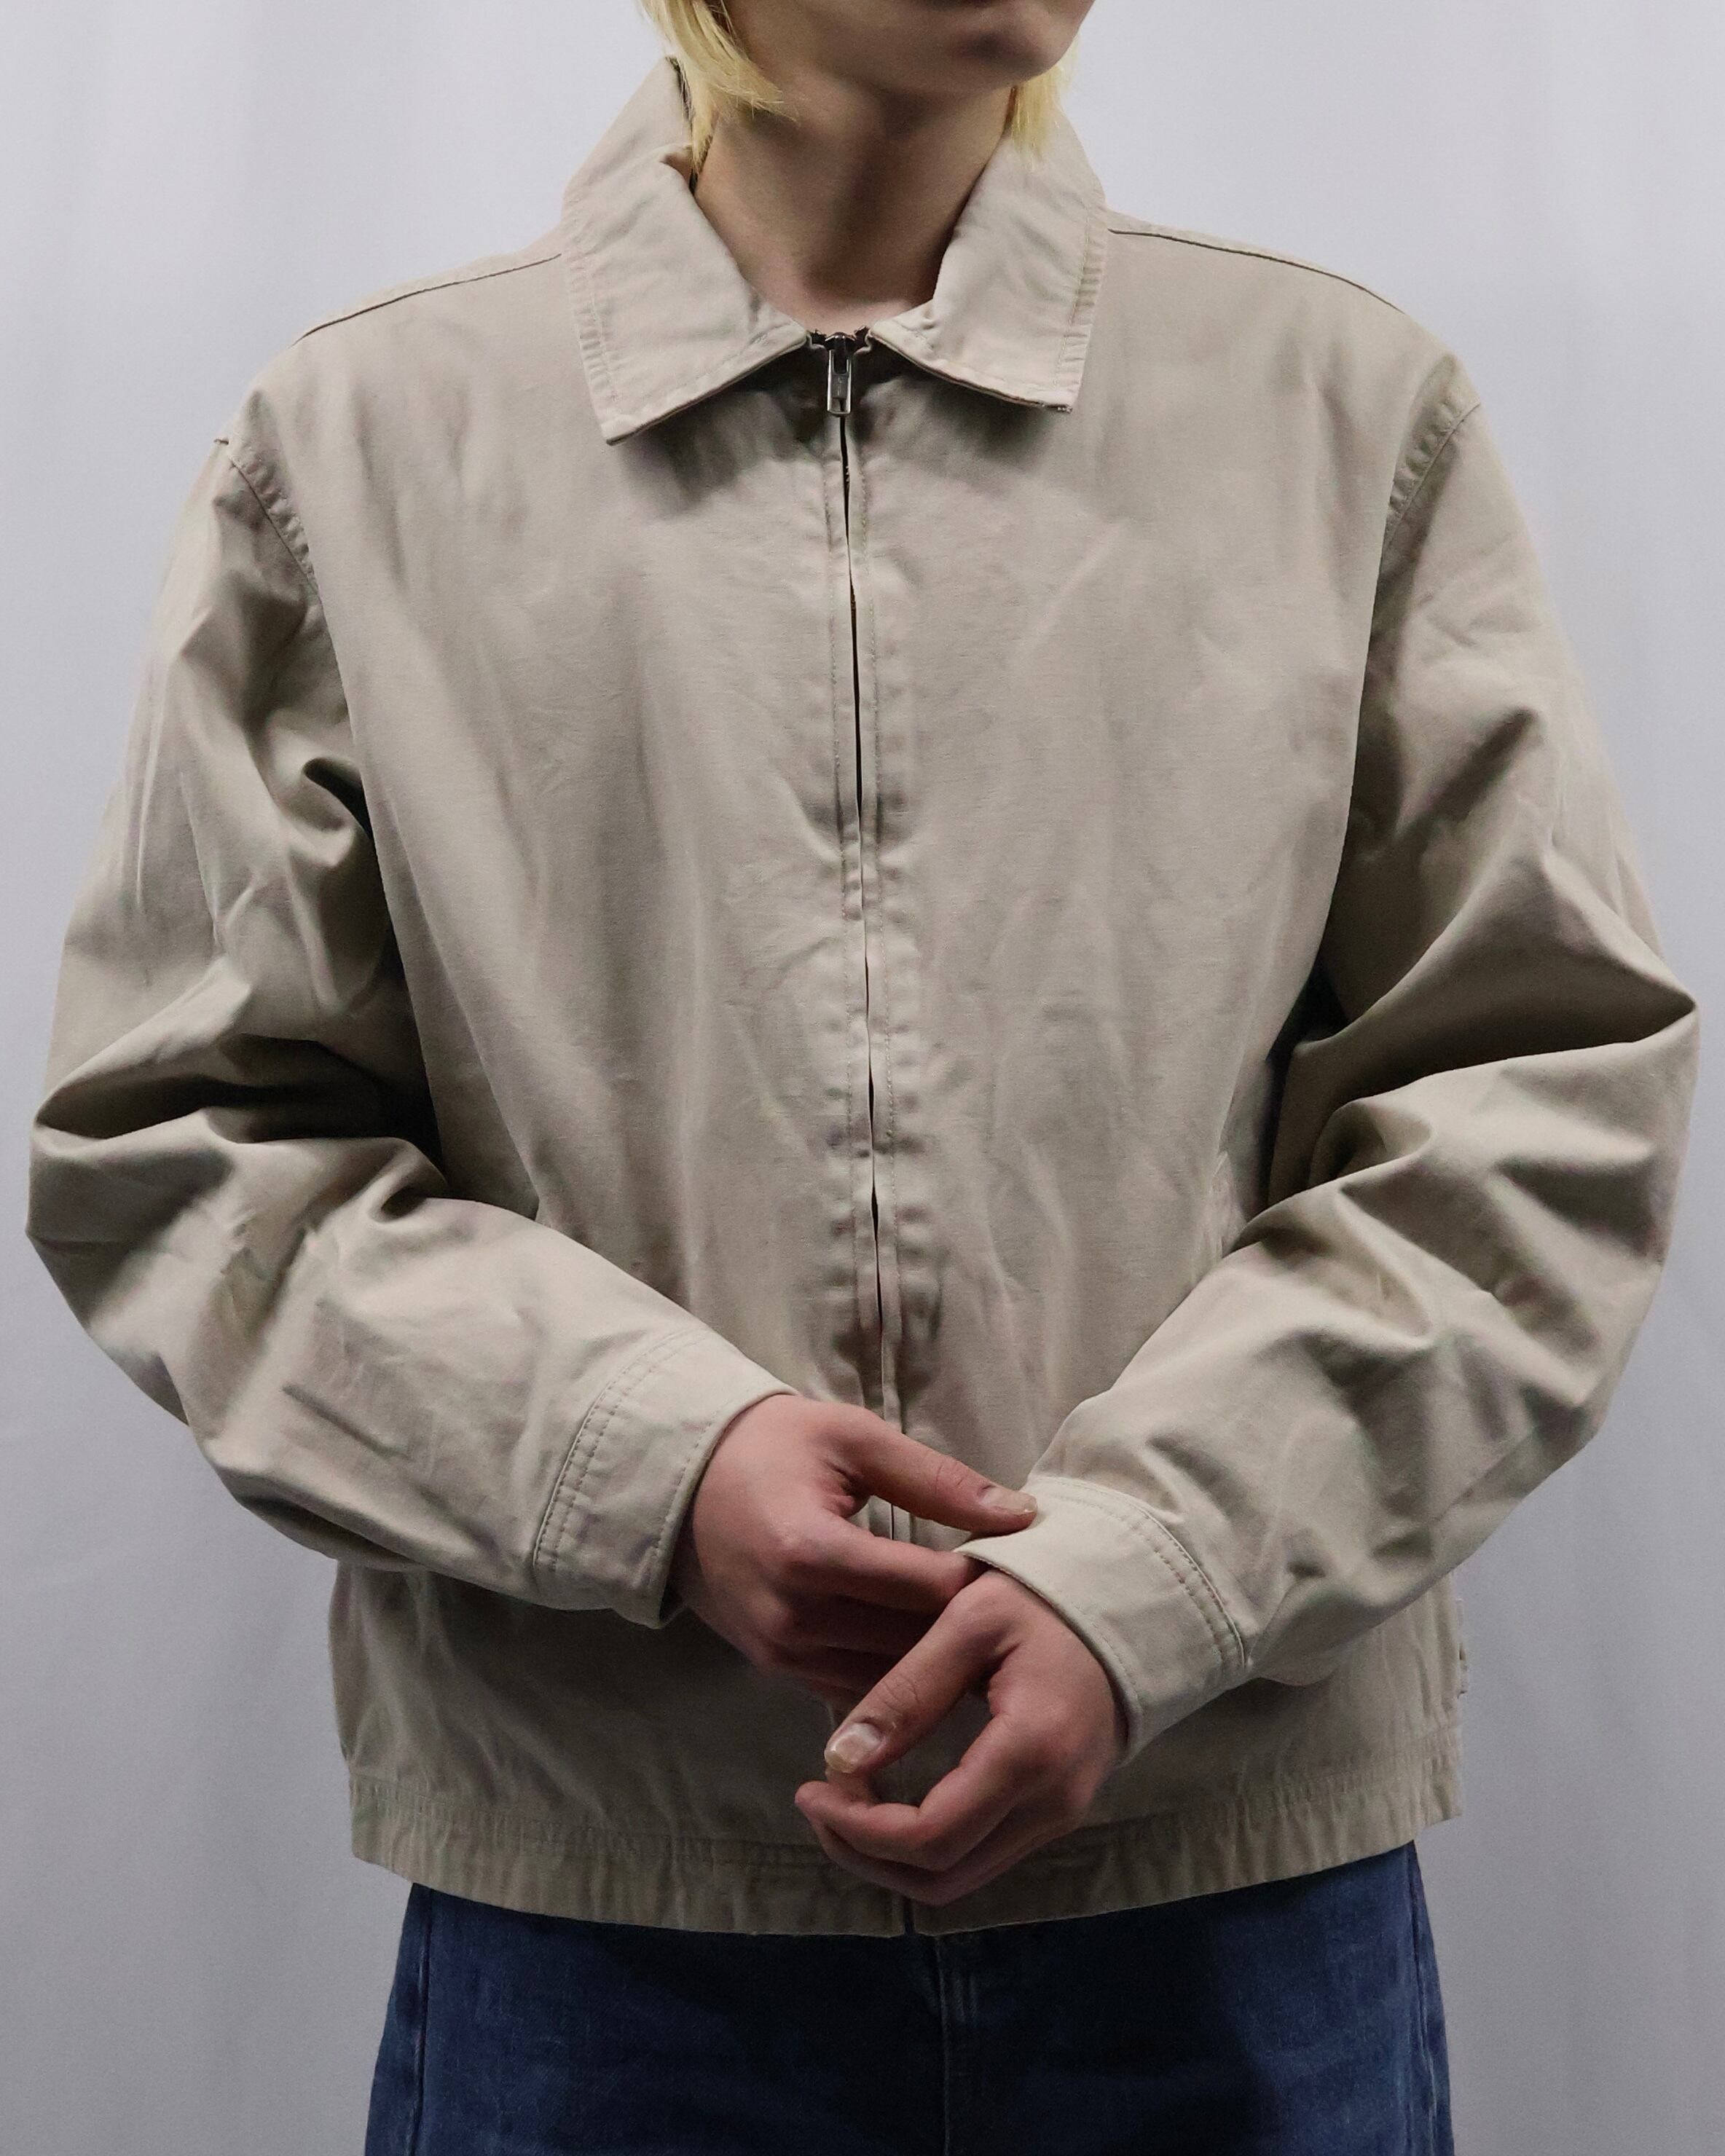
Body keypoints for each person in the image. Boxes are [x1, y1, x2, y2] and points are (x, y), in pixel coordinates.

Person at [25, 2, 1698, 2150]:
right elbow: (191, 1144)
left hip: (1222, 1885)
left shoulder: (1337, 411)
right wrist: (658, 1470)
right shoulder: (364, 444)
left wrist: (1150, 1573)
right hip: (618, 1912)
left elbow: (1538, 1097)